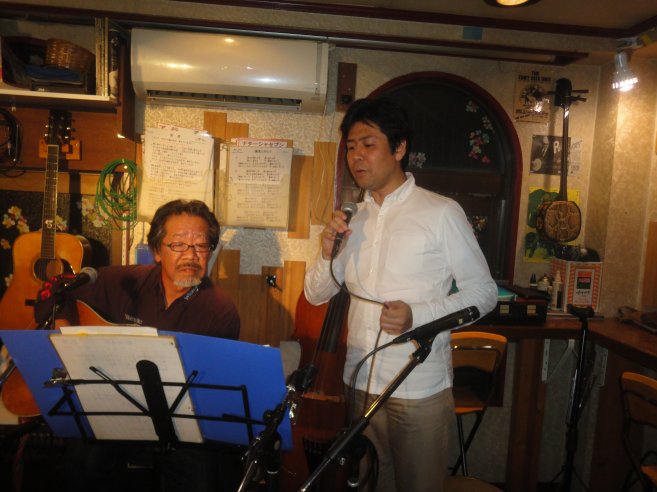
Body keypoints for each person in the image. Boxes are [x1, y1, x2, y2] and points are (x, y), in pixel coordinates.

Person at [304, 97, 498, 492]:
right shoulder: (353, 216)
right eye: (351, 147)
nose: (357, 156)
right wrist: (327, 253)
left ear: (399, 148)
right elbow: (315, 294)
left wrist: (417, 315)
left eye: (368, 144)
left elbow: (484, 293)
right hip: (359, 380)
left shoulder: (440, 212)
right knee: (368, 483)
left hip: (418, 386)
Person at [39, 199, 241, 492]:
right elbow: (56, 290)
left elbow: (211, 391)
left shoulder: (221, 311)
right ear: (157, 251)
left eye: (201, 245)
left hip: (183, 422)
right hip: (119, 410)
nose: (191, 255)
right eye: (178, 245)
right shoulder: (126, 282)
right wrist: (65, 328)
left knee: (202, 479)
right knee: (81, 465)